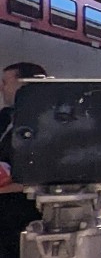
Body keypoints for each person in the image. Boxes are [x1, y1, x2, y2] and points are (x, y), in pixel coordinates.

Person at [0, 63, 46, 258]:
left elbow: (43, 178)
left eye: (5, 82)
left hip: (21, 217)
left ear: (25, 85)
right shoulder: (5, 117)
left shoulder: (45, 124)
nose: (1, 88)